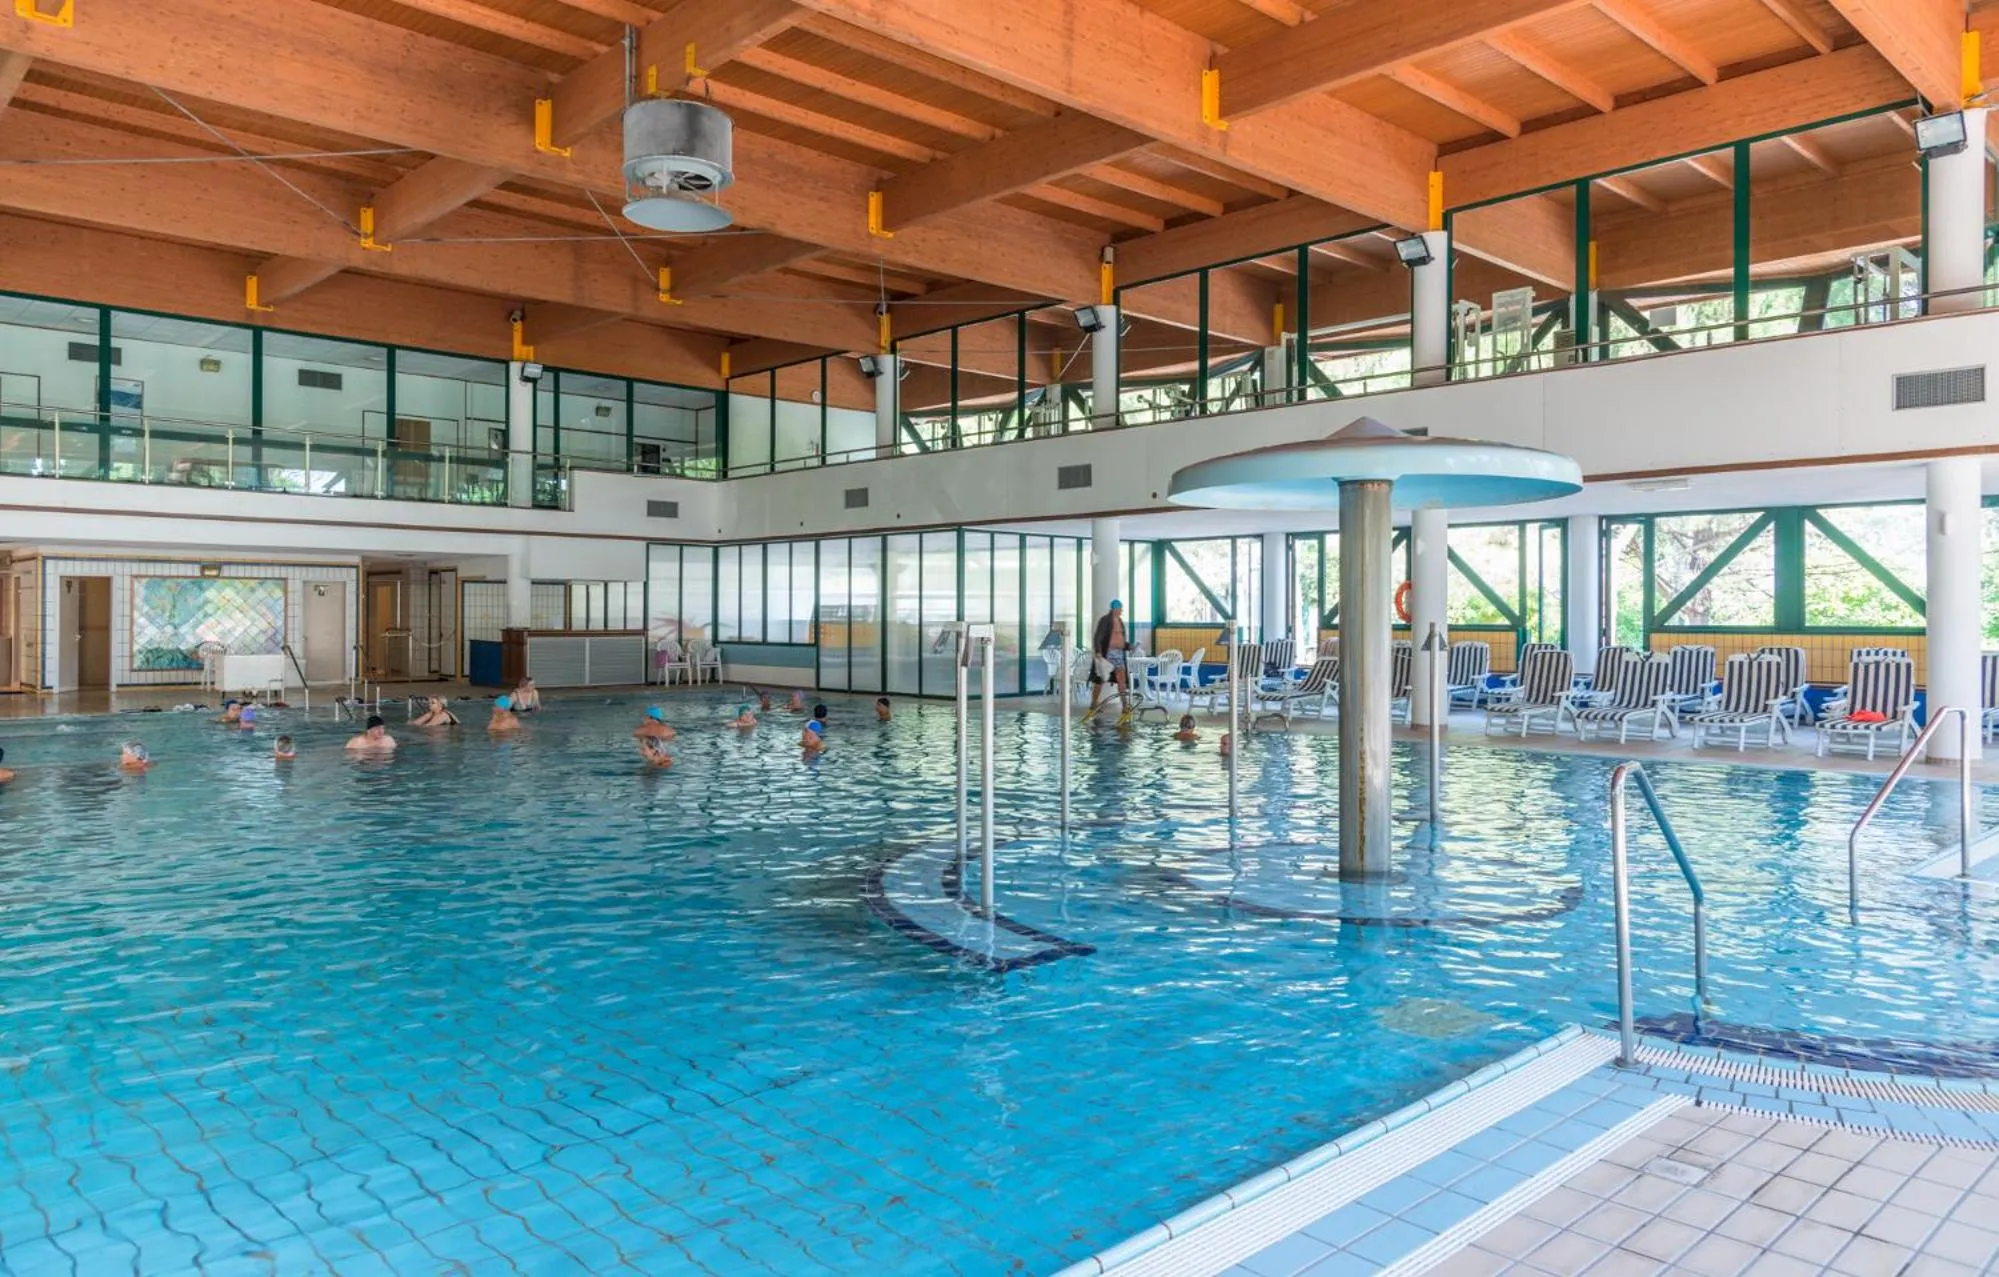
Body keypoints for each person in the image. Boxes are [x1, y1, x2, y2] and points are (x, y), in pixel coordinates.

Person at [1086, 599, 1130, 721]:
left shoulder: (1120, 621)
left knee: (1122, 680)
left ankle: (1125, 706)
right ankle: (1094, 704)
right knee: (1100, 681)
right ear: (1115, 609)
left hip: (1119, 654)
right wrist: (1099, 651)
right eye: (1120, 608)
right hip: (1107, 654)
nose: (1122, 611)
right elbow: (1098, 637)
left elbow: (1120, 639)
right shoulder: (1105, 620)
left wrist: (1128, 646)